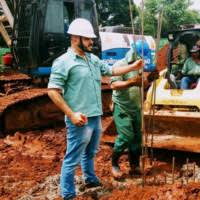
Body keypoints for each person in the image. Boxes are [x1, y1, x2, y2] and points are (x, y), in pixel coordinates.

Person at [47, 18, 143, 200]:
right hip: (79, 119)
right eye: (88, 39)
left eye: (92, 39)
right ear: (75, 38)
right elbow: (53, 91)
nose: (92, 42)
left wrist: (133, 66)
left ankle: (90, 178)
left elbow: (111, 72)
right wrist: (71, 114)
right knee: (72, 158)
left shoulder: (92, 59)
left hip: (95, 116)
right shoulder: (64, 61)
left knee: (90, 152)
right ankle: (68, 195)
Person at [110, 48, 158, 179]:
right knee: (126, 136)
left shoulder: (139, 66)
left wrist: (149, 79)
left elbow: (140, 83)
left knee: (137, 138)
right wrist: (130, 82)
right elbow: (114, 85)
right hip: (122, 107)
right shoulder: (120, 65)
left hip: (136, 107)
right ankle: (114, 164)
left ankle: (134, 166)